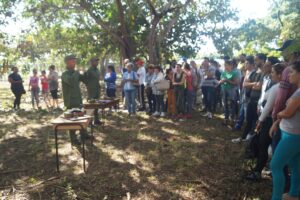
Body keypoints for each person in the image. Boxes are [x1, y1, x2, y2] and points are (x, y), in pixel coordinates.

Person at [246, 63, 284, 181]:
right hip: (279, 122)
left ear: (280, 74)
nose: (271, 74)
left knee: (264, 145)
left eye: (273, 72)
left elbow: (268, 106)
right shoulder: (286, 87)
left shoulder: (277, 87)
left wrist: (260, 121)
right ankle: (275, 171)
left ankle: (258, 171)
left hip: (269, 120)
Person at [269, 61, 300, 200]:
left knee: (275, 165)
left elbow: (288, 113)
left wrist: (279, 114)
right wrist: (278, 121)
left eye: (292, 72)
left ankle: (276, 198)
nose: (289, 76)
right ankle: (293, 194)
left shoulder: (299, 93)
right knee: (295, 165)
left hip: (292, 136)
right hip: (292, 134)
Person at [232, 54, 265, 143]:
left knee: (255, 121)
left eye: (256, 60)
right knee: (249, 120)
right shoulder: (255, 73)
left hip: (258, 101)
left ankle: (250, 139)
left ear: (262, 60)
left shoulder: (264, 73)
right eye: (254, 60)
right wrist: (255, 84)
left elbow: (259, 87)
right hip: (251, 99)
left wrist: (253, 85)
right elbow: (245, 84)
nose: (255, 62)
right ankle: (244, 138)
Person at [61, 55, 85, 145]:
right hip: (70, 101)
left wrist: (87, 75)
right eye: (73, 61)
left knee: (81, 117)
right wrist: (76, 73)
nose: (75, 63)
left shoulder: (76, 73)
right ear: (67, 62)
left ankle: (83, 135)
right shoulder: (65, 74)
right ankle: (73, 140)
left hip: (78, 99)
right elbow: (71, 81)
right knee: (72, 121)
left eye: (75, 61)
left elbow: (84, 79)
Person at [220, 60, 238, 126]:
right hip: (224, 90)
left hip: (231, 90)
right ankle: (226, 119)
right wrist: (221, 81)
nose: (225, 67)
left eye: (227, 65)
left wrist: (227, 80)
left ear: (231, 66)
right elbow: (221, 80)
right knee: (225, 105)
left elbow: (236, 83)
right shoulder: (223, 73)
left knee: (232, 105)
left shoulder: (234, 73)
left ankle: (232, 120)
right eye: (225, 65)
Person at [84, 57, 101, 124]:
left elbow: (97, 79)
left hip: (97, 89)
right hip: (91, 91)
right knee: (91, 106)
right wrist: (89, 86)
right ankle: (89, 121)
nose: (97, 62)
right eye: (95, 61)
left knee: (96, 105)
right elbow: (85, 80)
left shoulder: (97, 70)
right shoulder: (89, 71)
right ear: (91, 62)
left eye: (97, 61)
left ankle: (96, 120)